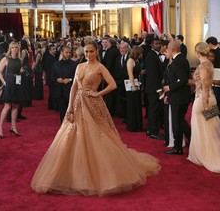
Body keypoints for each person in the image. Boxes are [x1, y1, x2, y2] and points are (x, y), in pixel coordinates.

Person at [31, 41, 161, 196]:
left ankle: (101, 173)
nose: (88, 55)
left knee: (97, 134)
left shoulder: (100, 67)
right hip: (78, 104)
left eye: (91, 51)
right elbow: (74, 88)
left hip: (93, 104)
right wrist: (69, 107)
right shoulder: (79, 66)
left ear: (96, 52)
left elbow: (112, 84)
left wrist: (97, 94)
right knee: (72, 134)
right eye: (86, 52)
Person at [187, 42, 220, 174]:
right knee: (211, 129)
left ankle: (207, 155)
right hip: (210, 98)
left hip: (203, 100)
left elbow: (205, 86)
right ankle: (208, 152)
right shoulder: (209, 64)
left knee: (203, 129)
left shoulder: (203, 66)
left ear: (197, 53)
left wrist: (205, 103)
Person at [163, 40, 191, 155]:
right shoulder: (179, 60)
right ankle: (191, 139)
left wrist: (170, 87)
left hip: (179, 97)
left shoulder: (179, 61)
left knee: (177, 123)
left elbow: (183, 79)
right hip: (178, 96)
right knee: (180, 121)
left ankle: (177, 147)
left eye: (167, 49)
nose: (166, 51)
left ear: (172, 50)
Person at [0, 41, 24, 138]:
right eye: (12, 48)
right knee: (7, 106)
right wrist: (4, 82)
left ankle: (13, 127)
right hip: (8, 83)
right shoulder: (5, 59)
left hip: (17, 83)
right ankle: (0, 127)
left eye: (16, 47)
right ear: (10, 49)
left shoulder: (19, 60)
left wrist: (21, 71)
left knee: (16, 106)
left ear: (18, 48)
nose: (14, 49)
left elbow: (18, 72)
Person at [50, 46, 77, 123]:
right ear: (61, 53)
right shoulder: (56, 64)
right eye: (66, 52)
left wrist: (70, 79)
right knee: (62, 113)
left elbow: (77, 77)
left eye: (69, 52)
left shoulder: (74, 64)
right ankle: (63, 129)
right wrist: (57, 79)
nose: (68, 54)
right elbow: (52, 77)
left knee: (72, 112)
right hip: (60, 92)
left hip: (70, 92)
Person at [125, 46, 144, 132]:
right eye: (141, 53)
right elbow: (130, 74)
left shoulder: (136, 60)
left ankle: (138, 125)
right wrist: (133, 86)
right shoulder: (130, 61)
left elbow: (138, 72)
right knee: (132, 105)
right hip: (132, 86)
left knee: (137, 104)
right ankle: (132, 126)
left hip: (137, 84)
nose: (142, 55)